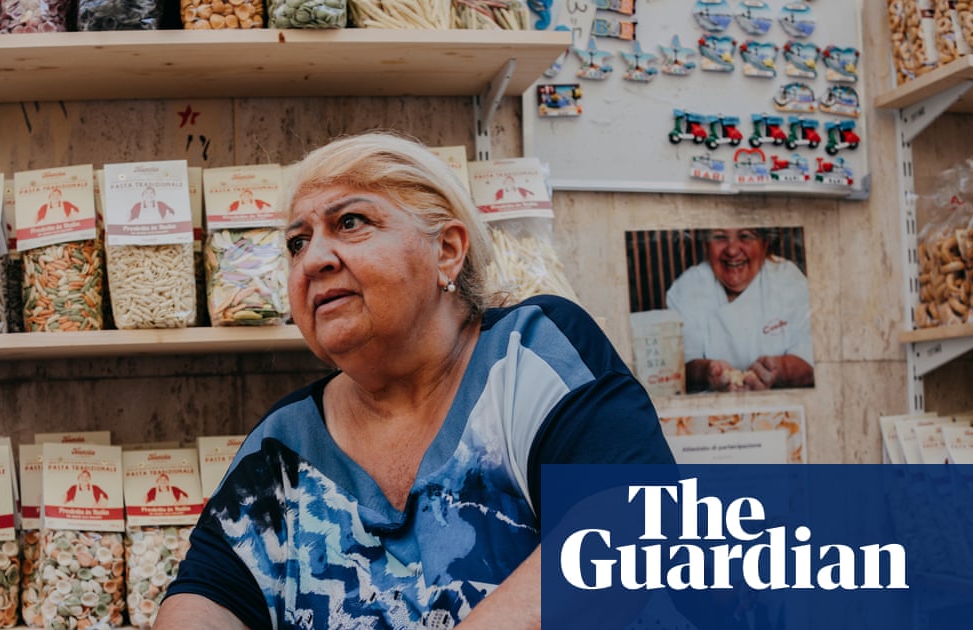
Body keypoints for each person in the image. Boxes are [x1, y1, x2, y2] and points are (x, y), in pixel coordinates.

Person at [154, 131, 673, 630]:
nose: (313, 259)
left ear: (447, 249)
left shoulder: (529, 355)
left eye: (351, 222)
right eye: (296, 242)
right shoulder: (284, 447)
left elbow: (634, 531)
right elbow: (205, 600)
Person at [665, 227, 815, 393]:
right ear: (707, 245)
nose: (732, 250)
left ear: (765, 244)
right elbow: (679, 368)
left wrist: (779, 370)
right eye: (720, 237)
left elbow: (811, 362)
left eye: (745, 236)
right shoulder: (687, 288)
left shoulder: (789, 280)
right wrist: (707, 372)